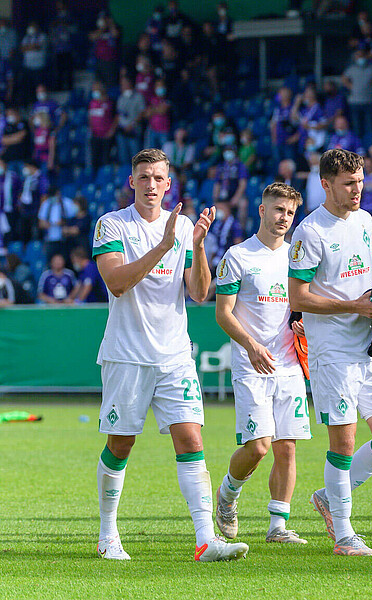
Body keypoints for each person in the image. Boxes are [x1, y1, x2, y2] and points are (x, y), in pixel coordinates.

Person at [92, 148, 246, 561]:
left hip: (175, 354)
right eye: (143, 177)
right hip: (127, 355)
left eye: (158, 178)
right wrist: (163, 248)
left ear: (168, 185)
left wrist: (196, 246)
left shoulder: (181, 228)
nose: (151, 185)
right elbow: (116, 282)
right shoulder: (111, 224)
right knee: (121, 444)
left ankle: (205, 539)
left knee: (191, 438)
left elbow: (199, 292)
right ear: (131, 181)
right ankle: (108, 534)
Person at [287, 149, 372, 557]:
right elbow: (297, 297)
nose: (357, 190)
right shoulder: (310, 231)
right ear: (326, 184)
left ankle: (328, 498)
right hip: (332, 350)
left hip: (369, 345)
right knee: (344, 442)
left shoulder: (366, 221)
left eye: (361, 181)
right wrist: (353, 305)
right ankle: (344, 533)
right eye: (349, 183)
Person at [213, 183, 310, 545]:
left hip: (288, 365)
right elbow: (223, 314)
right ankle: (228, 495)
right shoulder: (238, 256)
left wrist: (302, 324)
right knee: (258, 446)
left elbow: (300, 306)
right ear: (262, 210)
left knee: (287, 445)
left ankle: (278, 526)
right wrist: (251, 345)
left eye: (289, 212)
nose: (283, 217)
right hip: (251, 363)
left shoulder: (297, 257)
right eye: (277, 209)